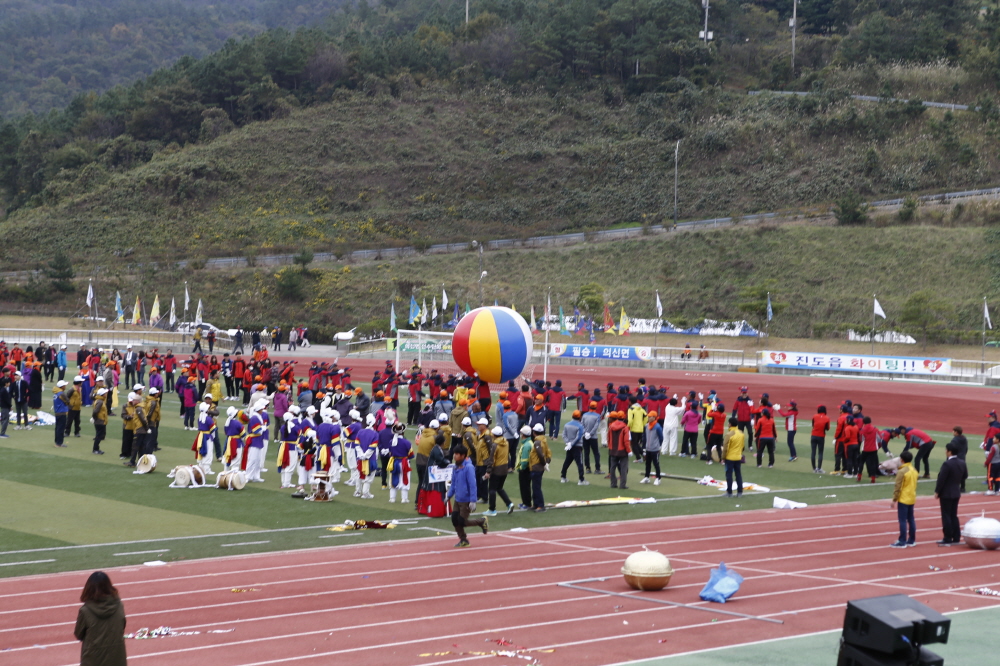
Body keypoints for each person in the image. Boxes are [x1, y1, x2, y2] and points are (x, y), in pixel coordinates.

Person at [74, 571, 127, 666]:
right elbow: (122, 626)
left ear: (88, 588)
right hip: (117, 658)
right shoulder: (119, 605)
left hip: (93, 659)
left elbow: (79, 634)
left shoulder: (85, 610)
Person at [447, 444, 487, 547]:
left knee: (462, 521)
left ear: (463, 455)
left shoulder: (469, 467)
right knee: (454, 520)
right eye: (454, 454)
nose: (454, 456)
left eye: (457, 454)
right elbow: (454, 483)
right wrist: (448, 496)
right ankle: (463, 539)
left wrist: (473, 500)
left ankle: (481, 521)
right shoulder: (456, 466)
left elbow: (472, 484)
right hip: (458, 499)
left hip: (466, 499)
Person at [934, 442, 967, 546]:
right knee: (954, 515)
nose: (945, 452)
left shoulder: (947, 464)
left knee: (946, 515)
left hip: (946, 493)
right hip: (956, 491)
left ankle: (948, 537)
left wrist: (937, 491)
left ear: (949, 452)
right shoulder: (962, 462)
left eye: (946, 450)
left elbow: (941, 479)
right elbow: (965, 475)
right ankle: (956, 536)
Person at [890, 450, 919, 548]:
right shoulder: (914, 470)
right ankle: (911, 540)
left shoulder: (902, 471)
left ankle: (902, 541)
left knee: (902, 520)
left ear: (902, 460)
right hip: (912, 497)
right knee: (911, 519)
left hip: (903, 498)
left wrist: (894, 500)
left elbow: (897, 486)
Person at [483, 425, 514, 515]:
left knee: (492, 489)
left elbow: (492, 459)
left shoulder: (495, 445)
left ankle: (492, 509)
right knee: (499, 488)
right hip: (505, 468)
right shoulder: (506, 442)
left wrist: (488, 471)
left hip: (497, 469)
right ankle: (509, 503)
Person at [528, 423, 552, 511]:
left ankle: (540, 505)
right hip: (539, 466)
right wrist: (547, 462)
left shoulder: (537, 442)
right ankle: (535, 504)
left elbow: (540, 455)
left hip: (536, 466)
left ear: (534, 432)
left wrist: (544, 463)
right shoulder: (544, 440)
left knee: (536, 487)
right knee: (535, 486)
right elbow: (548, 452)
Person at [560, 410, 587, 485]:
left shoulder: (567, 424)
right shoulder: (580, 426)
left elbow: (564, 435)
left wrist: (568, 443)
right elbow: (578, 437)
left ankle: (563, 477)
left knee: (567, 461)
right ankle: (581, 480)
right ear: (580, 417)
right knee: (579, 463)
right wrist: (571, 444)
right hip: (577, 447)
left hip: (569, 447)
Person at [607, 411, 631, 489]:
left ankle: (613, 483)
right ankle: (622, 485)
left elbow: (608, 438)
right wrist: (629, 450)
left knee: (612, 467)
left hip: (613, 449)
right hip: (622, 450)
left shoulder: (611, 426)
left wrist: (610, 447)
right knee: (623, 468)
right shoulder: (625, 427)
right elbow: (626, 441)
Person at [723, 417, 745, 498]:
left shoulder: (729, 434)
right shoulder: (741, 433)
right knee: (738, 474)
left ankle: (729, 492)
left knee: (729, 475)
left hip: (730, 457)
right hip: (738, 457)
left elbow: (725, 447)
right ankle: (740, 492)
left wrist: (723, 457)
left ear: (730, 424)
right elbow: (742, 446)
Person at [641, 411, 663, 485]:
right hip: (648, 448)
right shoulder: (646, 426)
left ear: (654, 417)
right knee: (647, 463)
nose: (649, 418)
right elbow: (644, 437)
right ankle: (646, 477)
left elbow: (661, 438)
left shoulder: (657, 426)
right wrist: (644, 447)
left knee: (656, 464)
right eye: (648, 416)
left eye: (650, 417)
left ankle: (658, 478)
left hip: (655, 449)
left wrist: (658, 446)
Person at [945, 426, 968, 492]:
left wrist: (948, 458)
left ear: (956, 432)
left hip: (956, 458)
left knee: (954, 473)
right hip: (962, 457)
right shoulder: (964, 438)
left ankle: (954, 487)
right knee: (962, 472)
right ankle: (963, 487)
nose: (952, 432)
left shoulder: (955, 440)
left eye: (953, 431)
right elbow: (966, 449)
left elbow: (952, 449)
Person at [858, 417, 880, 483]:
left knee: (861, 462)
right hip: (874, 448)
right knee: (873, 463)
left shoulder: (862, 430)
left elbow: (861, 439)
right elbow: (879, 438)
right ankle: (873, 478)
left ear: (864, 422)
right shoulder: (875, 429)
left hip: (865, 449)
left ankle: (859, 476)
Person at [811, 405, 830, 473]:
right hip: (821, 436)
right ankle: (819, 468)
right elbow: (827, 428)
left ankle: (814, 468)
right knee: (820, 452)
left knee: (813, 452)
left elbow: (813, 424)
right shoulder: (827, 418)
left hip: (813, 435)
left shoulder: (815, 416)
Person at [90, 387, 108, 455]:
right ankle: (95, 449)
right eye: (105, 393)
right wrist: (94, 418)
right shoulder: (100, 402)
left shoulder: (99, 400)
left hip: (100, 420)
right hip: (100, 420)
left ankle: (96, 449)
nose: (106, 394)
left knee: (99, 435)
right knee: (98, 436)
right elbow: (95, 411)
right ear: (102, 394)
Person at [53, 380, 70, 448]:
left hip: (57, 412)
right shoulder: (61, 393)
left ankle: (57, 441)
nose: (65, 386)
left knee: (58, 428)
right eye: (64, 385)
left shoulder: (55, 393)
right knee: (61, 428)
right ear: (62, 386)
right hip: (62, 412)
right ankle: (59, 443)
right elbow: (67, 401)